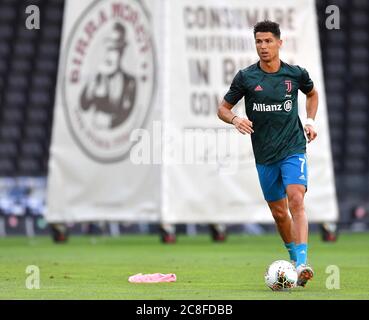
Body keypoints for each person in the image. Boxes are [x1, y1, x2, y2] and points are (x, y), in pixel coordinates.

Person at [217, 20, 318, 287]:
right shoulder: (247, 77)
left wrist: (310, 122)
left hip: (293, 147)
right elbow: (223, 109)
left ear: (279, 43)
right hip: (264, 154)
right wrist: (235, 119)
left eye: (268, 41)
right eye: (259, 42)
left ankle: (302, 263)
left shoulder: (295, 74)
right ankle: (293, 255)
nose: (263, 47)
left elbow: (312, 94)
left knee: (296, 198)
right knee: (279, 213)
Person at [80, 22, 136, 129]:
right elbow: (84, 105)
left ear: (122, 52)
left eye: (115, 49)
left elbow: (126, 115)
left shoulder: (129, 82)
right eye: (108, 48)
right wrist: (91, 89)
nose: (109, 55)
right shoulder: (96, 78)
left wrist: (109, 122)